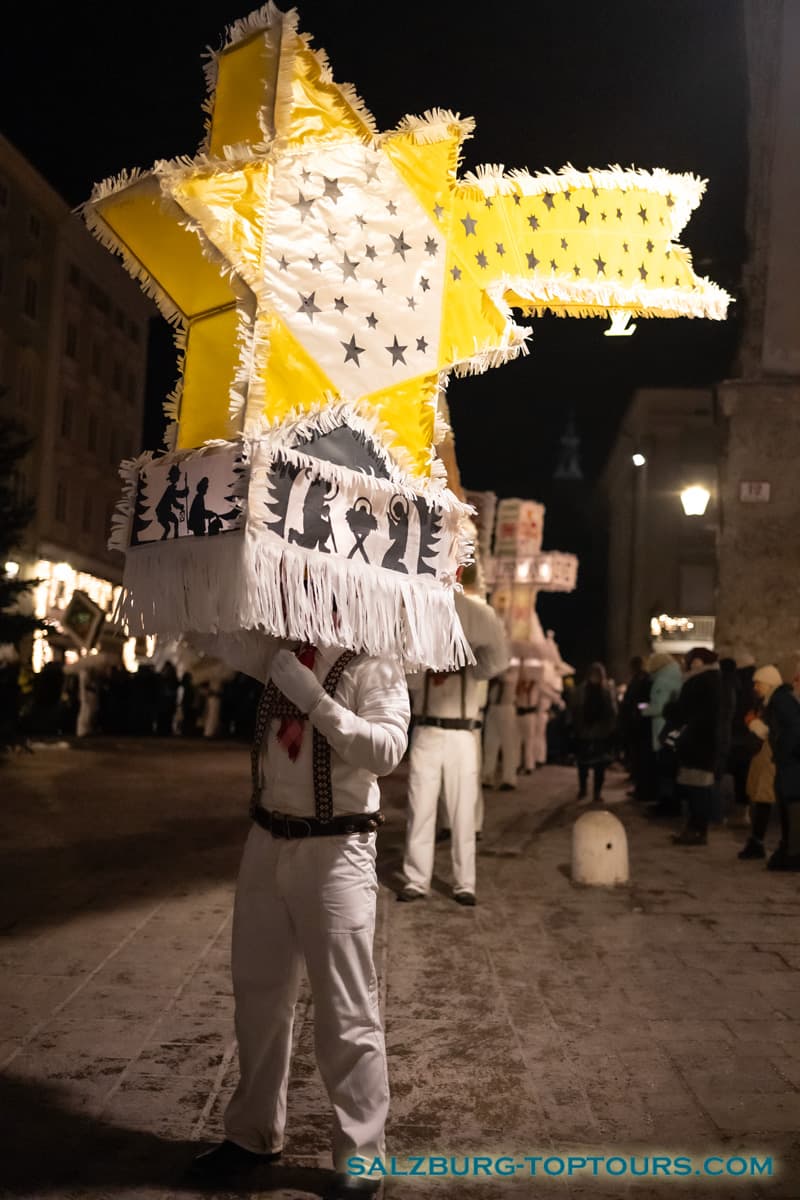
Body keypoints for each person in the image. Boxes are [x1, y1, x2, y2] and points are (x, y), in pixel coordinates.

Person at [188, 634, 410, 1198]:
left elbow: (387, 750)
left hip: (337, 849)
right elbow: (215, 636)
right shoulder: (280, 650)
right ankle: (252, 1133)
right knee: (258, 993)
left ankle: (362, 1157)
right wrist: (184, 595)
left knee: (346, 1007)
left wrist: (317, 702)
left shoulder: (375, 664)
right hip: (266, 838)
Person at [400, 569, 509, 905]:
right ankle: (416, 879)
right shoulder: (421, 616)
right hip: (428, 729)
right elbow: (409, 677)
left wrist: (464, 650)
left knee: (463, 812)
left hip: (462, 732)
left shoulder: (477, 618)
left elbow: (495, 662)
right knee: (420, 808)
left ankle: (465, 883)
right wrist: (433, 657)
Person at [664, 647, 721, 846]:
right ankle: (695, 828)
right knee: (698, 787)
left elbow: (685, 711)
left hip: (697, 742)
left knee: (697, 789)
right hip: (702, 742)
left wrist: (670, 710)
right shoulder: (713, 680)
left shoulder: (699, 681)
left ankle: (697, 830)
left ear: (697, 662)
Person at [736, 664, 782, 861]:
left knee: (764, 798)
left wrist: (754, 723)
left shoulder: (776, 704)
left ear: (769, 684)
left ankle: (758, 842)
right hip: (761, 756)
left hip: (769, 757)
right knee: (759, 797)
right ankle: (756, 841)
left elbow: (769, 731)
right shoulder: (764, 703)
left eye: (759, 683)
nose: (755, 687)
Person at [764, 653, 800, 871]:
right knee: (792, 807)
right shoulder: (787, 700)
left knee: (793, 807)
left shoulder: (784, 700)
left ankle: (791, 852)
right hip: (792, 764)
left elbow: (791, 732)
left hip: (791, 764)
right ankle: (791, 852)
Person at [568, 661, 618, 803]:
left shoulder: (605, 691)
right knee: (584, 764)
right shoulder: (582, 690)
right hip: (585, 732)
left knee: (599, 766)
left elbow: (612, 712)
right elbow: (575, 710)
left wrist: (610, 729)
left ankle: (595, 792)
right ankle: (584, 789)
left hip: (599, 733)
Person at [641, 652, 683, 817]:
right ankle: (670, 802)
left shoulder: (662, 680)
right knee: (670, 769)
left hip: (662, 729)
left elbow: (659, 707)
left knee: (665, 769)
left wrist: (643, 709)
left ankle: (666, 804)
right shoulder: (676, 675)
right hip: (672, 730)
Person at [482, 657, 520, 791]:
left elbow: (505, 678)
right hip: (493, 707)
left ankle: (509, 779)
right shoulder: (498, 668)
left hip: (506, 708)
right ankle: (487, 776)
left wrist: (497, 667)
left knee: (508, 745)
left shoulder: (513, 669)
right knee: (490, 743)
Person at [617, 655, 652, 799]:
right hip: (635, 723)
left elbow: (644, 701)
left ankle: (642, 788)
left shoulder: (644, 680)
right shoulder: (638, 679)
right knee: (636, 756)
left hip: (639, 724)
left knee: (640, 757)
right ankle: (639, 784)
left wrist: (637, 709)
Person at [516, 663, 541, 775]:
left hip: (530, 714)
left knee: (529, 741)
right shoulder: (518, 685)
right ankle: (517, 764)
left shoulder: (535, 685)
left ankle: (528, 765)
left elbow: (545, 693)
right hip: (519, 713)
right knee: (517, 741)